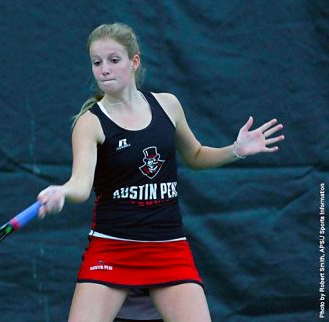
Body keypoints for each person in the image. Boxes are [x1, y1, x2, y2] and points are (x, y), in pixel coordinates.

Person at [37, 22, 284, 322]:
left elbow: (195, 155)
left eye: (114, 60)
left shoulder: (169, 106)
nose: (104, 69)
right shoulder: (89, 123)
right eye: (96, 62)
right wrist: (62, 192)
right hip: (112, 247)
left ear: (134, 61)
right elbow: (80, 184)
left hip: (168, 247)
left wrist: (235, 150)